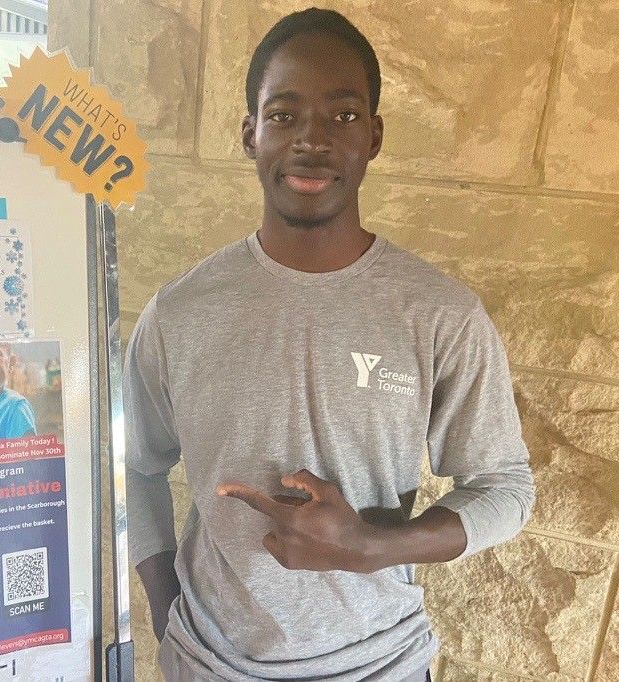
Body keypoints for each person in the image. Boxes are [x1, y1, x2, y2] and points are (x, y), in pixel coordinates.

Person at [124, 9, 536, 681]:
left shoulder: (438, 314)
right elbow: (135, 467)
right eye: (284, 115)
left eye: (342, 116)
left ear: (373, 136)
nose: (311, 140)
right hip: (209, 664)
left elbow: (505, 489)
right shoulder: (180, 311)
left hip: (382, 664)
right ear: (249, 134)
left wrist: (370, 546)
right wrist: (165, 610)